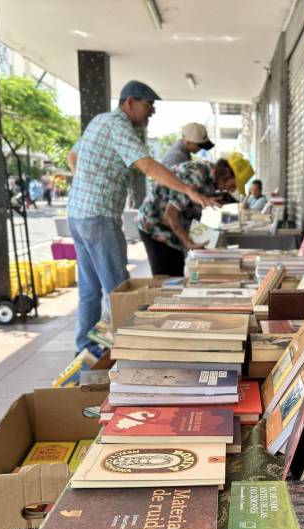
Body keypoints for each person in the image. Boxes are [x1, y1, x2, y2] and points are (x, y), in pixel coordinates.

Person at [67, 79, 218, 353]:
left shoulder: (99, 121)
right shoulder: (119, 125)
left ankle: (85, 349)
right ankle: (125, 351)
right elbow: (147, 165)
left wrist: (85, 184)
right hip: (99, 216)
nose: (151, 112)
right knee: (118, 289)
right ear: (129, 103)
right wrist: (188, 190)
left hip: (79, 215)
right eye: (148, 105)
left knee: (89, 289)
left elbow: (72, 155)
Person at [137, 153, 253, 276]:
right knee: (168, 278)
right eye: (233, 185)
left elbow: (191, 206)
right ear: (227, 174)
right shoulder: (196, 176)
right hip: (156, 226)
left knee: (177, 273)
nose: (231, 190)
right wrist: (189, 244)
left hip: (172, 229)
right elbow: (170, 216)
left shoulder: (210, 180)